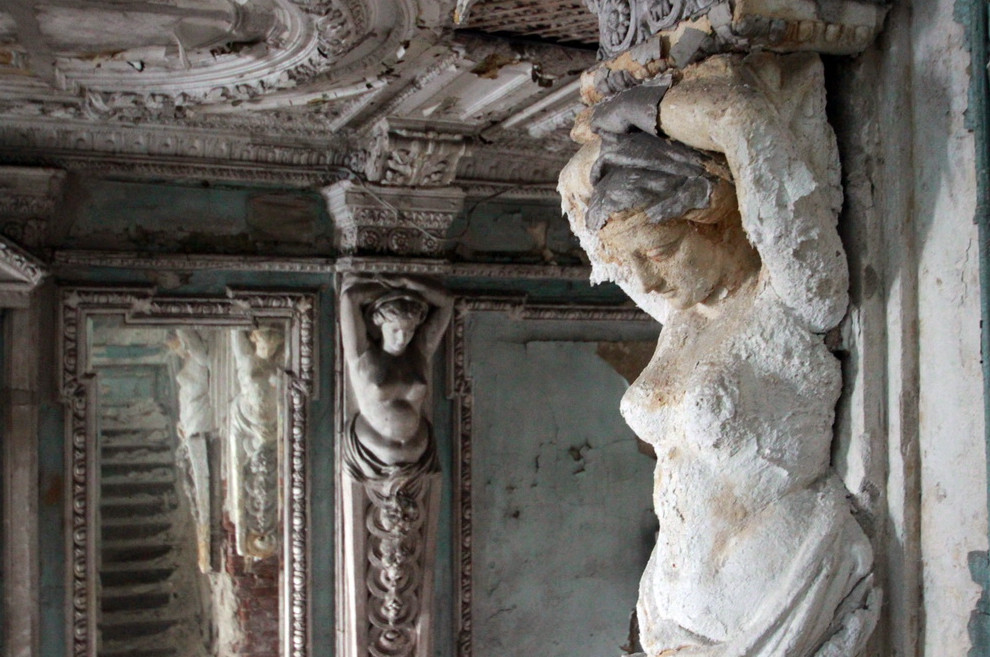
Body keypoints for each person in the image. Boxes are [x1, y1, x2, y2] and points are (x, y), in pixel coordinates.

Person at [559, 52, 878, 656]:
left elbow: (741, 118)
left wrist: (644, 113)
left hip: (772, 605)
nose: (643, 281)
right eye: (631, 262)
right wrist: (621, 130)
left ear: (716, 219)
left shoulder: (792, 298)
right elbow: (576, 200)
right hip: (673, 616)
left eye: (658, 252)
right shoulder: (680, 315)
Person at [339, 274, 452, 478]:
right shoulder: (362, 355)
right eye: (395, 330)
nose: (402, 337)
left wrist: (406, 283)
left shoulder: (419, 354)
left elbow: (446, 302)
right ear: (380, 324)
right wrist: (390, 287)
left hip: (420, 461)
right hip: (370, 461)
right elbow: (349, 298)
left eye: (409, 331)